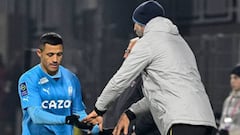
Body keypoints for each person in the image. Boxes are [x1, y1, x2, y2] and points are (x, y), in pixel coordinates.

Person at [83, 1, 217, 135]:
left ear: (143, 23)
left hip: (181, 123)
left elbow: (119, 80)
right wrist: (130, 113)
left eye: (136, 22)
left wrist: (99, 110)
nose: (135, 27)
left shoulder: (148, 42)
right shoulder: (181, 43)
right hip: (205, 121)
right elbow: (160, 94)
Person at [17, 32, 99, 135]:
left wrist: (93, 127)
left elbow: (78, 113)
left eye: (59, 54)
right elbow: (35, 115)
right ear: (39, 53)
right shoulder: (28, 79)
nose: (55, 60)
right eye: (50, 55)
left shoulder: (72, 79)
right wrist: (66, 119)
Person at [219, 66, 240, 135]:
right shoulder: (228, 100)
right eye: (231, 78)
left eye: (235, 78)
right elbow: (223, 122)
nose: (232, 81)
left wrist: (230, 133)